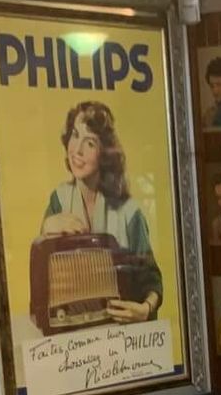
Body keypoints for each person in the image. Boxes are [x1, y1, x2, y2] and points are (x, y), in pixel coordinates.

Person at [41, 100, 164, 322]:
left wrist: (145, 310)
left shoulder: (129, 211)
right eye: (75, 135)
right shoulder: (58, 199)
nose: (77, 150)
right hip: (74, 331)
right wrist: (46, 228)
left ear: (104, 154)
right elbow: (43, 274)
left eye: (89, 143)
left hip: (121, 332)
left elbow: (151, 279)